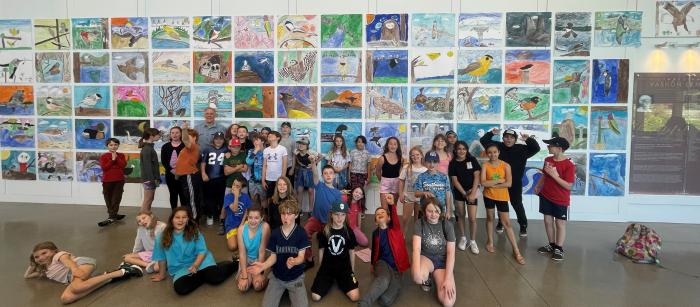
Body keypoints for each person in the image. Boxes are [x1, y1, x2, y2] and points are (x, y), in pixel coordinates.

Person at [151, 207, 236, 295]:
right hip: (180, 268)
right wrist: (162, 275)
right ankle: (208, 273)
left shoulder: (194, 232)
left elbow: (202, 251)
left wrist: (195, 265)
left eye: (184, 217)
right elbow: (161, 258)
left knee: (216, 278)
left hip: (201, 261)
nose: (181, 220)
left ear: (188, 219)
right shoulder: (161, 237)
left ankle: (235, 263)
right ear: (171, 219)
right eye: (177, 217)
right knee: (181, 289)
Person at [25, 241, 143, 304]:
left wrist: (75, 270)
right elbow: (27, 276)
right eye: (37, 257)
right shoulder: (46, 271)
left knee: (77, 287)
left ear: (54, 251)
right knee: (66, 299)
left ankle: (122, 271)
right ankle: (108, 277)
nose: (40, 257)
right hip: (72, 277)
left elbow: (67, 261)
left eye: (44, 253)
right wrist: (33, 264)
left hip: (81, 264)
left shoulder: (58, 255)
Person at [247, 199, 310, 307]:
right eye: (283, 214)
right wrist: (263, 266)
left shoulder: (301, 233)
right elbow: (273, 257)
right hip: (277, 278)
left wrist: (294, 261)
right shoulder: (275, 233)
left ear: (296, 215)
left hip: (296, 278)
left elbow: (301, 257)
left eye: (289, 214)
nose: (285, 217)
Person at [480, 128, 540, 237]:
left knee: (516, 204)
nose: (509, 139)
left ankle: (523, 225)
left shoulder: (522, 149)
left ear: (515, 139)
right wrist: (491, 133)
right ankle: (501, 223)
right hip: (500, 182)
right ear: (503, 138)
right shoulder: (498, 147)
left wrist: (528, 139)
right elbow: (483, 141)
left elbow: (536, 148)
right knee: (500, 204)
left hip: (515, 183)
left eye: (512, 137)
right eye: (506, 137)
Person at [358, 194, 409, 307]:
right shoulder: (375, 233)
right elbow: (374, 249)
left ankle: (382, 292)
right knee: (384, 279)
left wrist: (391, 205)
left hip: (397, 267)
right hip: (382, 263)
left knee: (385, 300)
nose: (380, 214)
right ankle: (363, 303)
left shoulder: (395, 229)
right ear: (376, 221)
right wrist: (372, 265)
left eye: (383, 213)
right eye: (377, 214)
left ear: (389, 218)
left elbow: (395, 217)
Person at [481, 143, 525, 265]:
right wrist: (499, 180)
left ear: (499, 152)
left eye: (495, 152)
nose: (492, 154)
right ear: (487, 153)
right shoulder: (485, 165)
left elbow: (509, 184)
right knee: (490, 218)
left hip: (502, 197)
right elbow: (483, 183)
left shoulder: (506, 165)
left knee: (507, 223)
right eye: (490, 152)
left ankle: (516, 250)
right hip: (488, 196)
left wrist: (493, 183)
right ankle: (490, 241)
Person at [534, 137, 575, 262]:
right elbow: (545, 175)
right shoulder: (548, 160)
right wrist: (538, 185)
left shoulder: (569, 165)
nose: (548, 147)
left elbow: (569, 186)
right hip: (546, 195)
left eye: (550, 145)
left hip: (561, 199)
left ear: (559, 148)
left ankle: (559, 248)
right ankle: (551, 244)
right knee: (547, 221)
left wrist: (554, 176)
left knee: (560, 223)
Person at [311, 200, 360, 302]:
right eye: (336, 214)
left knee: (355, 297)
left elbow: (352, 252)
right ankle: (330, 279)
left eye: (343, 215)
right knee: (315, 297)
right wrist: (320, 269)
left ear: (346, 216)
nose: (340, 218)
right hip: (327, 267)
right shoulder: (325, 231)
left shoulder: (349, 232)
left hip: (344, 268)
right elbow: (321, 250)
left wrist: (352, 270)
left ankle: (339, 279)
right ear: (331, 215)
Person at [412, 197, 456, 307]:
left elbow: (451, 253)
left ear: (441, 211)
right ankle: (426, 277)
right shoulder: (419, 223)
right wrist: (417, 273)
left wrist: (448, 279)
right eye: (430, 211)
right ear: (424, 211)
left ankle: (439, 277)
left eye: (436, 211)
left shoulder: (447, 225)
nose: (433, 214)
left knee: (448, 303)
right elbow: (416, 249)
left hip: (442, 262)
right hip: (426, 258)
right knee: (418, 278)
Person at [304, 157, 342, 268]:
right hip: (316, 219)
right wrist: (312, 162)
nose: (328, 175)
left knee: (329, 242)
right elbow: (315, 174)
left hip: (328, 223)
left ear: (334, 175)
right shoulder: (319, 185)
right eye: (325, 173)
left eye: (331, 173)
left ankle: (329, 262)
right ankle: (309, 258)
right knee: (305, 232)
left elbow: (338, 212)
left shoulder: (337, 193)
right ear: (322, 176)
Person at [448, 141, 481, 253]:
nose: (461, 151)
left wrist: (472, 193)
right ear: (455, 150)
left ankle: (473, 241)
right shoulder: (452, 163)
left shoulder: (472, 160)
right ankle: (463, 237)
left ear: (467, 150)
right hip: (459, 193)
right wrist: (464, 193)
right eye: (459, 149)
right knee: (460, 215)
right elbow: (454, 180)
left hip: (472, 191)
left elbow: (477, 177)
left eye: (463, 148)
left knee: (472, 218)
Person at [236, 205, 270, 292]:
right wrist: (244, 276)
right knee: (243, 288)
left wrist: (259, 272)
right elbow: (242, 254)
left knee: (258, 286)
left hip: (260, 260)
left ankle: (263, 275)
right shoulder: (241, 229)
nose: (253, 221)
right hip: (247, 260)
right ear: (247, 217)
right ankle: (249, 274)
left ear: (261, 218)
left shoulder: (265, 227)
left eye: (256, 218)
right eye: (250, 217)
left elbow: (262, 252)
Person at [175, 124, 203, 220]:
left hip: (189, 176)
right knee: (189, 198)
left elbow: (185, 140)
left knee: (191, 199)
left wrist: (184, 129)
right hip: (185, 177)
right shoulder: (187, 148)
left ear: (194, 138)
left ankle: (194, 220)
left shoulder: (193, 146)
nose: (186, 138)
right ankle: (192, 218)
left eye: (188, 136)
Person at [414, 151, 453, 220]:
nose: (432, 164)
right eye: (429, 162)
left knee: (440, 229)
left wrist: (448, 211)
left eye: (434, 162)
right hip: (426, 211)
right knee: (426, 229)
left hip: (440, 210)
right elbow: (416, 193)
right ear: (425, 162)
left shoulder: (444, 177)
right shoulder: (421, 177)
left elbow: (447, 194)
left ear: (438, 163)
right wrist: (424, 193)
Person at [201, 132, 229, 226]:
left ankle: (220, 216)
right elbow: (203, 163)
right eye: (217, 139)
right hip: (209, 178)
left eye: (221, 139)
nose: (218, 140)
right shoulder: (207, 149)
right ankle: (210, 215)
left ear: (223, 140)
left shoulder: (226, 149)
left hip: (222, 178)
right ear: (214, 139)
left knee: (221, 198)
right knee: (209, 198)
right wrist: (203, 173)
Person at [398, 146, 427, 238]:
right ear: (410, 157)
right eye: (412, 155)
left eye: (417, 154)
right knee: (405, 218)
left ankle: (417, 236)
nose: (415, 157)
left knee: (418, 219)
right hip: (409, 197)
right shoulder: (407, 167)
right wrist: (401, 193)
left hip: (420, 198)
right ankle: (403, 235)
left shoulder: (425, 169)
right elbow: (401, 180)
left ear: (421, 155)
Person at [98, 138, 127, 227]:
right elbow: (104, 168)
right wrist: (112, 160)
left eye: (115, 145)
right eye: (111, 145)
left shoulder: (121, 155)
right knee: (108, 199)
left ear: (118, 145)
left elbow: (123, 165)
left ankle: (112, 216)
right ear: (107, 146)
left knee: (116, 199)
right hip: (107, 181)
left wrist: (116, 158)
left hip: (119, 180)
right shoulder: (104, 156)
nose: (113, 147)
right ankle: (113, 214)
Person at [225, 177, 253, 262]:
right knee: (233, 247)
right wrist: (236, 196)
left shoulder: (246, 197)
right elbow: (234, 209)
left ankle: (240, 240)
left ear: (241, 188)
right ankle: (234, 237)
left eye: (237, 186)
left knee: (249, 244)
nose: (234, 187)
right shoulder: (228, 197)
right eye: (233, 184)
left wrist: (242, 224)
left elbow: (247, 212)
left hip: (243, 224)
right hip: (232, 224)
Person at [161, 126, 186, 209]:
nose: (175, 135)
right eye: (172, 133)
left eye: (177, 133)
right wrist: (171, 170)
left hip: (183, 175)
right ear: (170, 134)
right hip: (170, 175)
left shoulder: (185, 146)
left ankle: (184, 214)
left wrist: (180, 171)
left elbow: (187, 161)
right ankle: (174, 214)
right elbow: (164, 161)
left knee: (183, 195)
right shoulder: (165, 147)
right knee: (173, 195)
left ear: (181, 134)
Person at [290, 137, 316, 218]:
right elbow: (294, 159)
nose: (301, 145)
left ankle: (311, 210)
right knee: (299, 190)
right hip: (300, 171)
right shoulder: (296, 151)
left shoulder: (311, 152)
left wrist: (313, 164)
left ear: (307, 145)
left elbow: (321, 156)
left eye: (303, 144)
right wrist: (292, 168)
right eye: (300, 143)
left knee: (311, 190)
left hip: (309, 172)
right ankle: (299, 209)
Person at [375, 137, 403, 210]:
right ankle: (385, 221)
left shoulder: (401, 159)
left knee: (393, 207)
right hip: (385, 183)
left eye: (395, 144)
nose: (393, 146)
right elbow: (377, 171)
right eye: (390, 144)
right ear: (387, 145)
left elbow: (401, 173)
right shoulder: (382, 158)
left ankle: (392, 221)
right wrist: (382, 180)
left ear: (397, 146)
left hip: (396, 183)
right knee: (385, 208)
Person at [262, 131, 288, 206]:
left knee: (280, 199)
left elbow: (285, 164)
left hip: (279, 179)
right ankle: (270, 216)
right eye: (268, 135)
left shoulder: (283, 149)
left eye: (272, 135)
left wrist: (282, 178)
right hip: (268, 179)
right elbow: (264, 166)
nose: (269, 136)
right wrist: (263, 180)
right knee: (269, 199)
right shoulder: (266, 150)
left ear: (278, 138)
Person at [138, 128, 161, 212]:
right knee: (147, 200)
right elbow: (147, 167)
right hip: (149, 179)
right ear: (151, 136)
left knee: (150, 199)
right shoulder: (147, 149)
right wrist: (152, 180)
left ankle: (147, 216)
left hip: (150, 179)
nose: (159, 136)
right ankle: (142, 218)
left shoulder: (149, 147)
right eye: (158, 134)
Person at [246, 134, 266, 209]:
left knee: (263, 199)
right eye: (254, 140)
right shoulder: (251, 151)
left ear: (263, 141)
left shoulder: (267, 151)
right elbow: (248, 162)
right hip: (252, 180)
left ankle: (264, 217)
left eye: (257, 140)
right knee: (253, 199)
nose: (255, 142)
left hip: (263, 180)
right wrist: (255, 151)